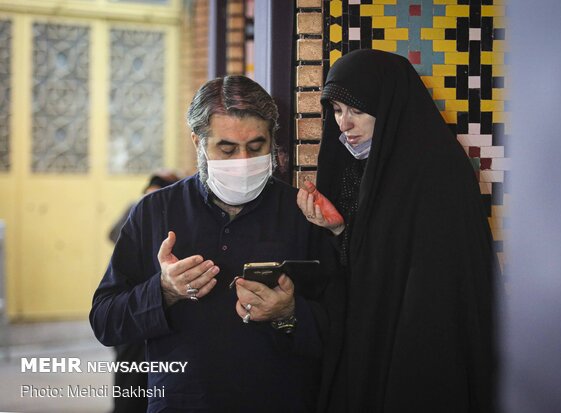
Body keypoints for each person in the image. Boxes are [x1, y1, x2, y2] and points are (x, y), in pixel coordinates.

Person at [90, 75, 324, 412]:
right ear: (198, 143)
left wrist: (289, 312)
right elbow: (105, 321)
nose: (242, 160)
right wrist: (163, 291)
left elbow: (342, 326)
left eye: (256, 147)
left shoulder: (302, 213)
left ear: (273, 141)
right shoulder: (155, 211)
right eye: (226, 148)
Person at [297, 49, 496, 412]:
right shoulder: (354, 168)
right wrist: (339, 231)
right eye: (338, 110)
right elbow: (369, 265)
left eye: (357, 110)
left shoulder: (438, 169)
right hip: (369, 341)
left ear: (389, 105)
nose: (345, 124)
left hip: (424, 344)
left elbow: (436, 278)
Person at [107, 171, 180, 413]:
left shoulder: (176, 228)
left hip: (160, 314)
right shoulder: (136, 211)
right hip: (134, 308)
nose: (151, 201)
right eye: (148, 196)